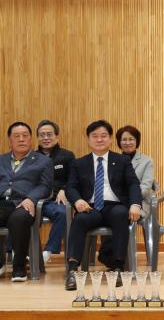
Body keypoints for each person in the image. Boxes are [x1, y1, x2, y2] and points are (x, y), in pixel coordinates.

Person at [64, 120, 141, 290]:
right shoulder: (79, 163)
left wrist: (135, 204)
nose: (99, 140)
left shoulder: (122, 160)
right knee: (79, 220)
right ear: (88, 139)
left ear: (111, 139)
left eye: (104, 136)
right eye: (95, 136)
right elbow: (71, 187)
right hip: (90, 207)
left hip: (115, 205)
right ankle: (72, 271)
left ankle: (118, 267)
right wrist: (77, 200)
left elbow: (133, 184)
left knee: (121, 214)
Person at [0, 122, 52, 281]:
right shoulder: (1, 159)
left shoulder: (43, 161)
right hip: (2, 203)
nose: (21, 139)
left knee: (19, 219)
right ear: (10, 140)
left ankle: (19, 267)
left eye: (25, 136)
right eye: (17, 136)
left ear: (31, 139)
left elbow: (45, 186)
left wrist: (31, 198)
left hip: (23, 203)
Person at [97, 125, 156, 265]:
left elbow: (146, 187)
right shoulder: (112, 159)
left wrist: (130, 199)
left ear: (137, 141)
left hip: (139, 203)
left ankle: (112, 256)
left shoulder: (147, 161)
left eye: (131, 139)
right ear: (118, 142)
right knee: (111, 213)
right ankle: (114, 257)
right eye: (124, 139)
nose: (127, 142)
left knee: (120, 215)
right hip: (117, 203)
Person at [36, 120, 76, 263]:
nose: (46, 138)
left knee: (62, 213)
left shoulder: (67, 156)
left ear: (57, 137)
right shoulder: (32, 157)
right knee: (18, 214)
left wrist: (64, 190)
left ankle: (48, 251)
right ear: (37, 138)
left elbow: (74, 179)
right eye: (42, 135)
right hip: (36, 201)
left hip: (56, 202)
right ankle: (20, 252)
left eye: (49, 134)